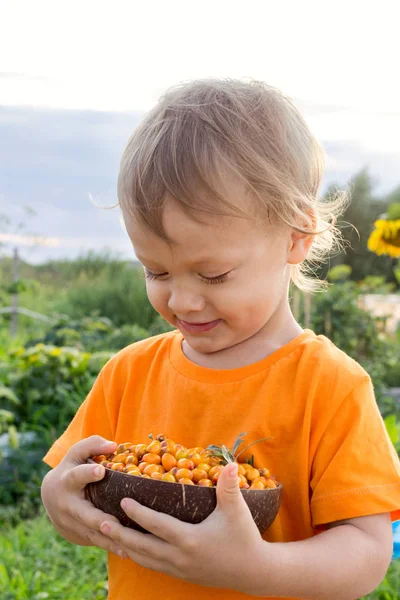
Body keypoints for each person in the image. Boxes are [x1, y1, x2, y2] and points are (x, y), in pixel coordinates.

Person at [41, 79, 400, 600]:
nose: (181, 302)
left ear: (295, 238)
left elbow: (366, 554)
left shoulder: (329, 385)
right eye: (157, 273)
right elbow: (71, 484)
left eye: (213, 276)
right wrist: (59, 500)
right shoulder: (128, 372)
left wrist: (254, 568)